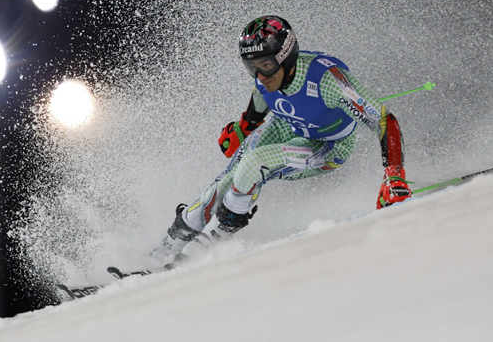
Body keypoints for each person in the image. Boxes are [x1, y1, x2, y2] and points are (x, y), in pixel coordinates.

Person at [156, 15, 412, 265]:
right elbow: (256, 111)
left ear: (285, 56)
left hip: (327, 146)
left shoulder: (327, 80)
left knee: (254, 164)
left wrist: (394, 175)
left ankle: (209, 242)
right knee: (226, 180)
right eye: (251, 67)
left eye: (265, 65)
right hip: (285, 127)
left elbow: (383, 120)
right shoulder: (264, 79)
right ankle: (167, 247)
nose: (260, 76)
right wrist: (241, 130)